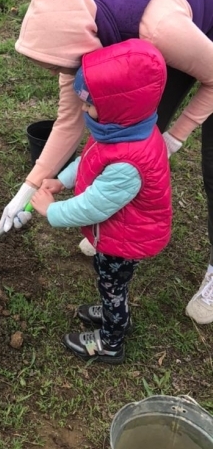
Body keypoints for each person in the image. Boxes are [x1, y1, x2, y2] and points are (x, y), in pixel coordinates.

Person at [0, 0, 213, 325]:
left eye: (59, 68)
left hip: (192, 34)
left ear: (83, 48)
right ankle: (113, 230)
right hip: (163, 42)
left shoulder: (159, 30)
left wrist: (173, 138)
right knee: (131, 136)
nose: (58, 75)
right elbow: (69, 121)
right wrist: (28, 189)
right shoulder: (77, 28)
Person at [31, 40, 171, 363]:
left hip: (125, 241)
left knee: (113, 287)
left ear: (117, 107)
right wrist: (62, 180)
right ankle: (113, 312)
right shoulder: (121, 130)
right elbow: (90, 159)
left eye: (89, 104)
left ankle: (110, 342)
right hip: (119, 233)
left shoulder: (129, 163)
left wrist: (51, 210)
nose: (83, 109)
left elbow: (93, 205)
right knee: (110, 283)